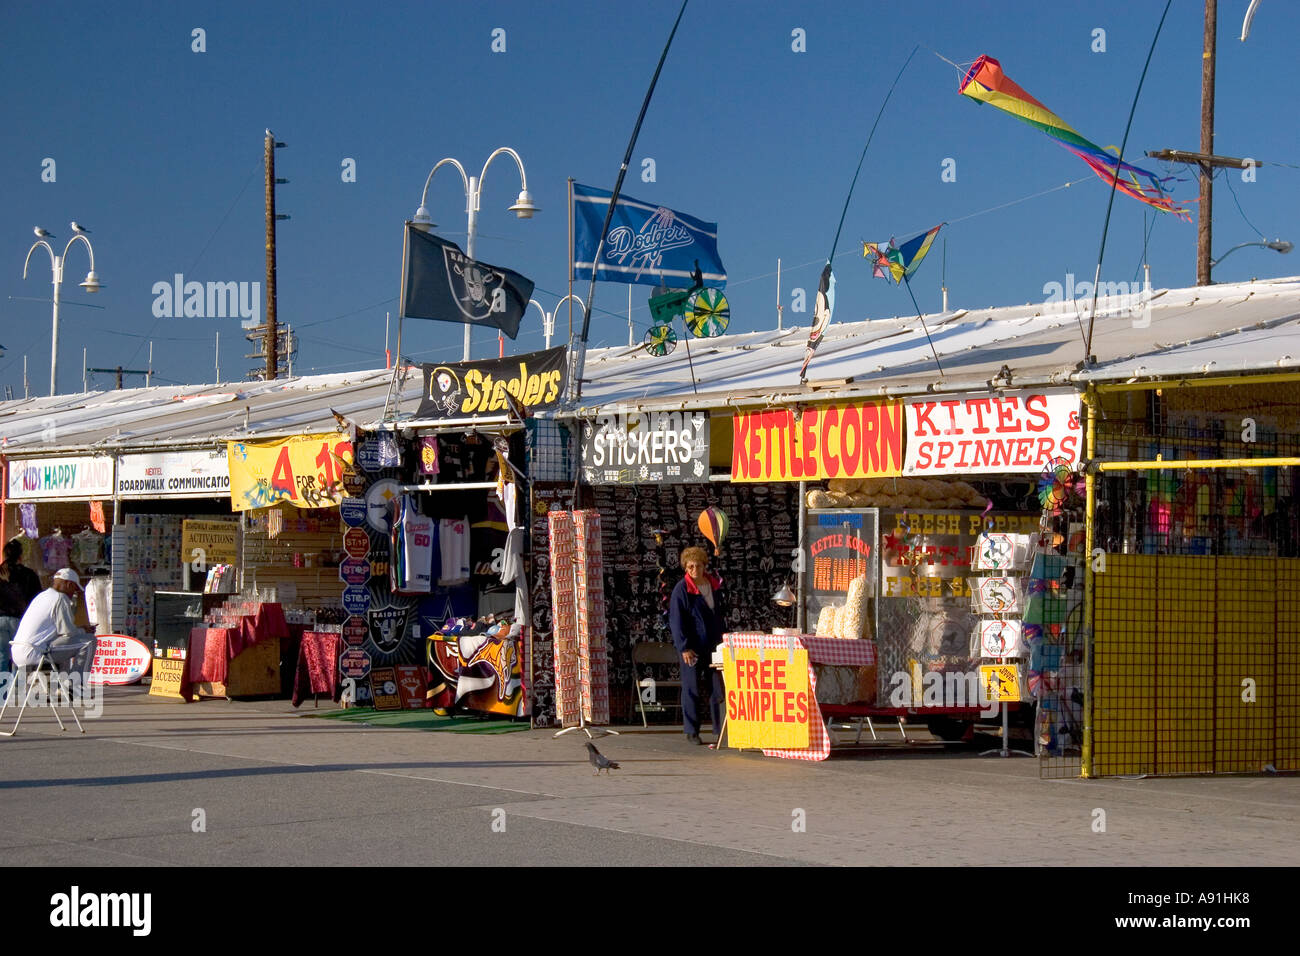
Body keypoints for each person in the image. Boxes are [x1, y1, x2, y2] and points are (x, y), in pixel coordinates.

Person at [668, 546, 726, 745]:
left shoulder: (713, 585)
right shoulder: (681, 589)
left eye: (698, 566)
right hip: (691, 646)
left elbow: (718, 614)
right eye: (690, 567)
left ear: (704, 566)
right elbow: (676, 621)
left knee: (717, 688)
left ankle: (720, 730)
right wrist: (683, 646)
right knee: (691, 687)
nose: (694, 570)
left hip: (713, 645)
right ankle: (691, 730)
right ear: (685, 568)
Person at [8, 568, 97, 679]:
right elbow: (68, 632)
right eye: (75, 589)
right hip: (35, 653)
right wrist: (84, 630)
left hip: (17, 653)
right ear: (69, 584)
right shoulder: (60, 598)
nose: (74, 593)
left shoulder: (41, 596)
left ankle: (60, 686)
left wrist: (79, 629)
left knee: (65, 646)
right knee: (89, 641)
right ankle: (76, 686)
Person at [0, 539, 43, 673]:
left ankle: (2, 691)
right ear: (21, 555)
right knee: (19, 657)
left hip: (0, 619)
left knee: (2, 656)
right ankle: (17, 688)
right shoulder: (29, 574)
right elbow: (37, 600)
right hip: (20, 620)